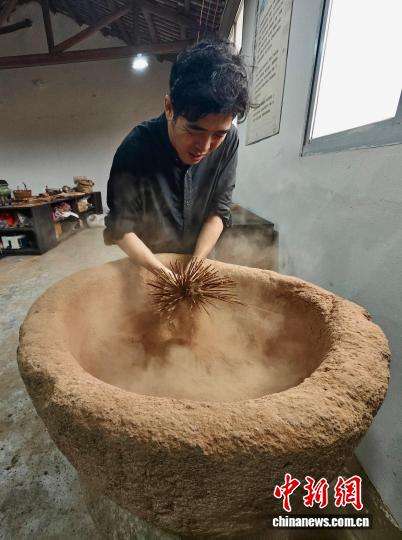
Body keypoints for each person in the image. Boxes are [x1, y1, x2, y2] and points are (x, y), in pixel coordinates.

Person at [104, 39, 250, 275]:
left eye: (218, 134)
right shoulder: (135, 149)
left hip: (201, 258)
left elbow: (219, 210)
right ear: (169, 107)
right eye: (194, 130)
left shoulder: (229, 140)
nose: (205, 147)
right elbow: (120, 228)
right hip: (150, 263)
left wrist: (197, 263)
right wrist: (161, 272)